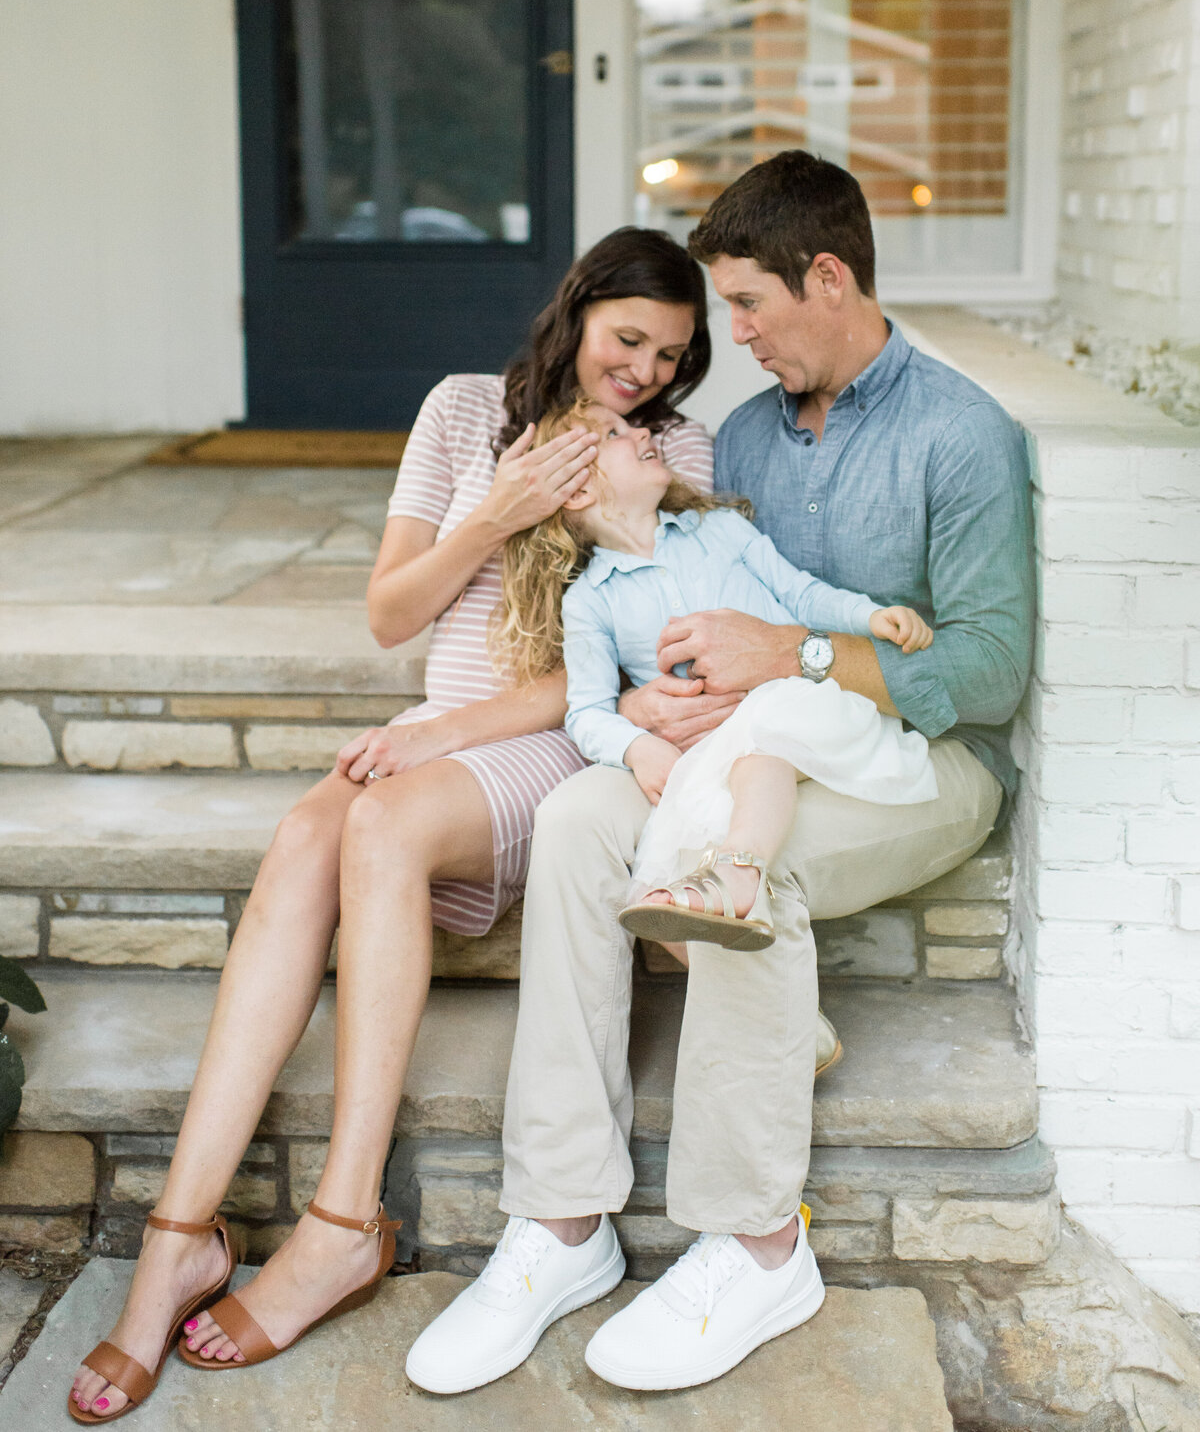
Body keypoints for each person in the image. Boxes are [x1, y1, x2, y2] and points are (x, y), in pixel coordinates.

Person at [406, 150, 1035, 1398]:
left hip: (905, 764)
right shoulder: (748, 432)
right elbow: (678, 586)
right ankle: (563, 1223)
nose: (729, 338)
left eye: (747, 306)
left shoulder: (961, 437)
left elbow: (992, 671)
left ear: (830, 275)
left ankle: (757, 1244)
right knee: (585, 820)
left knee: (740, 864)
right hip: (736, 745)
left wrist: (793, 655)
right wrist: (659, 706)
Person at [68, 229, 716, 1423]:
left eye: (671, 356)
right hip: (445, 729)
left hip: (559, 740)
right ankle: (178, 1239)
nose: (644, 372)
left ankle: (341, 1220)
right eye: (629, 340)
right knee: (303, 841)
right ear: (577, 313)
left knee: (375, 829)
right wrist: (499, 512)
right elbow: (389, 614)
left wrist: (438, 736)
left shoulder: (668, 450)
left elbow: (619, 659)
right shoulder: (463, 410)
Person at [490, 394, 938, 955]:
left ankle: (740, 874)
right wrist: (637, 749)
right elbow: (586, 711)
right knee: (659, 866)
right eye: (613, 435)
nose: (640, 433)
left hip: (799, 708)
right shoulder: (591, 602)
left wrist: (869, 615)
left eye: (632, 426)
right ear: (578, 490)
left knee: (761, 748)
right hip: (711, 750)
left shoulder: (721, 530)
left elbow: (800, 592)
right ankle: (792, 1018)